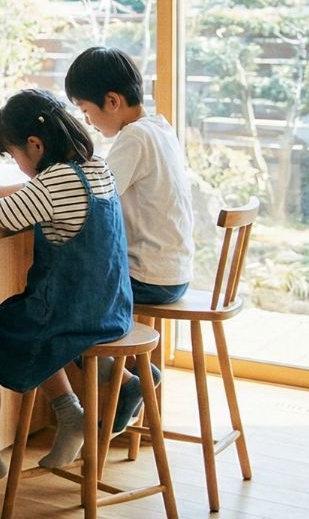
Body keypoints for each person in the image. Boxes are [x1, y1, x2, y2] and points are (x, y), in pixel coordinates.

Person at [0, 89, 132, 487]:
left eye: (15, 156)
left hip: (64, 314)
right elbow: (41, 198)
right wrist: (15, 191)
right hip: (109, 309)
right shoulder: (96, 167)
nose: (18, 165)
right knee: (33, 334)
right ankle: (72, 413)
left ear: (35, 145)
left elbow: (5, 216)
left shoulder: (53, 181)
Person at [65, 45, 193, 433]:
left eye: (86, 111)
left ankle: (125, 382)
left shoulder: (133, 138)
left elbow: (94, 194)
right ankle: (134, 375)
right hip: (174, 272)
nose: (87, 121)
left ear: (112, 101)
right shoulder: (159, 127)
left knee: (57, 307)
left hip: (148, 277)